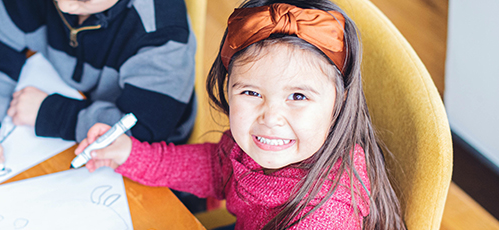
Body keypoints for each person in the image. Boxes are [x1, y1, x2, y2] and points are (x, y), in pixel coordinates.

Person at [75, 0, 407, 229]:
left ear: (339, 102)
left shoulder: (326, 215)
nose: (270, 116)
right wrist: (129, 153)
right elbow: (216, 169)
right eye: (251, 92)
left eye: (298, 96)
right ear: (228, 87)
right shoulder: (257, 146)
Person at [0, 0, 197, 179]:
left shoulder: (163, 33)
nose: (64, 6)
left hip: (160, 157)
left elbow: (143, 131)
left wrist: (51, 113)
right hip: (80, 116)